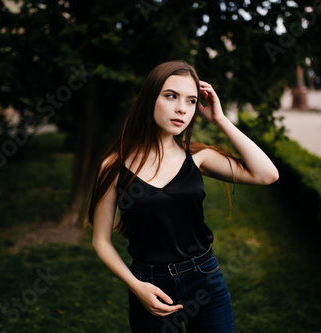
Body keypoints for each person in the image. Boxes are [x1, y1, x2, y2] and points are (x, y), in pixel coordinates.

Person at [88, 60, 279, 332]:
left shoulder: (198, 157)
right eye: (171, 96)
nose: (182, 108)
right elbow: (100, 241)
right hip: (149, 284)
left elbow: (266, 174)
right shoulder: (113, 166)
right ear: (149, 99)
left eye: (191, 101)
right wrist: (137, 286)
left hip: (205, 281)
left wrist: (220, 119)